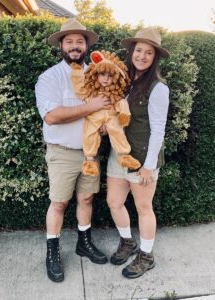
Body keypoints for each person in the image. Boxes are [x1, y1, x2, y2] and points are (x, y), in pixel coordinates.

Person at [35, 19, 111, 283]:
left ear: (87, 45)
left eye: (80, 41)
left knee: (87, 199)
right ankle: (53, 251)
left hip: (90, 153)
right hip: (63, 152)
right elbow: (53, 116)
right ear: (60, 45)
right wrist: (90, 107)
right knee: (58, 203)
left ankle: (84, 243)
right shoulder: (49, 78)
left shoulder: (98, 74)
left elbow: (107, 108)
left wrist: (103, 124)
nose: (75, 46)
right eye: (69, 41)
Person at [106, 27, 170, 279]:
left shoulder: (158, 88)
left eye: (149, 52)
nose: (142, 56)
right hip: (119, 155)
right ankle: (127, 242)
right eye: (139, 50)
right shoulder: (123, 80)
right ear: (131, 52)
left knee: (143, 208)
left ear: (155, 58)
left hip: (143, 158)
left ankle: (146, 255)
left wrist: (148, 165)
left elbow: (158, 130)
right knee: (113, 201)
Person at [70, 50, 140, 176]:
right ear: (95, 74)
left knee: (117, 131)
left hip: (111, 117)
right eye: (102, 74)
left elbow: (121, 102)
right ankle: (90, 160)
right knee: (89, 134)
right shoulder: (91, 92)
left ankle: (124, 155)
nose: (106, 79)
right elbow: (79, 89)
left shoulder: (115, 94)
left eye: (110, 76)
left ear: (116, 78)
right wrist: (76, 72)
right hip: (93, 118)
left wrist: (124, 113)